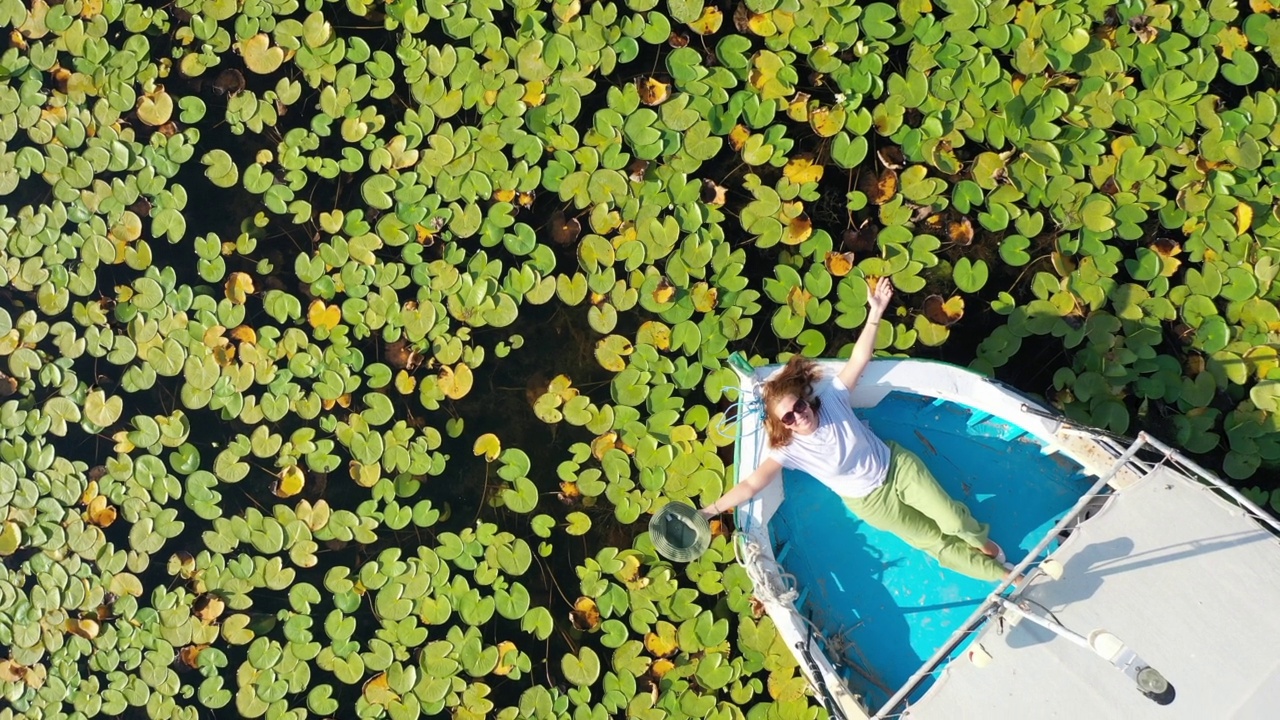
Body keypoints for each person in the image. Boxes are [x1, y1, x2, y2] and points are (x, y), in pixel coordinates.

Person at [700, 277, 1015, 583]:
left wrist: (875, 312)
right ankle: (1002, 575)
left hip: (896, 467)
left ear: (805, 401)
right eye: (789, 418)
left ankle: (982, 543)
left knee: (953, 520)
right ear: (783, 426)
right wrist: (709, 511)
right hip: (870, 503)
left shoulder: (833, 399)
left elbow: (860, 358)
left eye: (799, 406)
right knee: (934, 542)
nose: (798, 416)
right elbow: (751, 485)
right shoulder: (788, 450)